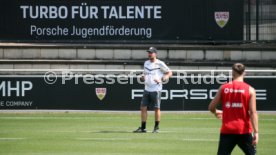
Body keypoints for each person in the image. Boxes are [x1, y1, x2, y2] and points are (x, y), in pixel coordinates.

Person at [208, 63, 259, 155]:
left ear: (232, 72)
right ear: (244, 73)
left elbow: (211, 107)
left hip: (227, 130)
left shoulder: (223, 88)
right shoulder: (250, 90)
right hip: (244, 130)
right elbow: (253, 112)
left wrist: (216, 112)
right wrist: (256, 132)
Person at [133, 47, 172, 133]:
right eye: (148, 52)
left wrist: (163, 78)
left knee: (157, 108)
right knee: (143, 108)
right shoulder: (146, 63)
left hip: (156, 89)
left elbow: (169, 72)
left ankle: (156, 128)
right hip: (147, 88)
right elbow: (145, 74)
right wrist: (143, 77)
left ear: (155, 54)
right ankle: (143, 128)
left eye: (151, 52)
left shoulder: (160, 63)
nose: (149, 54)